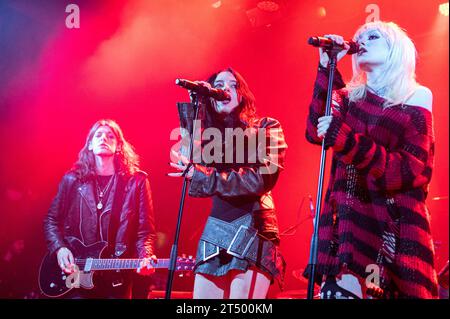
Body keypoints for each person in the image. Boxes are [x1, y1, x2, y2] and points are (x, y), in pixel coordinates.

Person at [305, 21, 438, 298]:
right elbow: (315, 130)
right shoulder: (347, 98)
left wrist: (347, 140)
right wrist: (326, 68)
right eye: (357, 37)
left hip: (394, 228)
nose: (361, 41)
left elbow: (410, 169)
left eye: (373, 36)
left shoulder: (417, 96)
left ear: (395, 49)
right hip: (348, 229)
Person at [169, 67, 287, 299]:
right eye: (219, 86)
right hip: (216, 227)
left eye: (232, 85)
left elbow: (262, 179)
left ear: (242, 94)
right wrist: (197, 105)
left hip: (254, 225)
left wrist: (204, 176)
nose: (225, 90)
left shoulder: (266, 127)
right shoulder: (208, 135)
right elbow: (189, 161)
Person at [43, 119, 157, 298]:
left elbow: (145, 231)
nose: (104, 138)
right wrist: (60, 248)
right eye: (98, 135)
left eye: (110, 136)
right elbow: (51, 220)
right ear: (90, 144)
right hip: (76, 273)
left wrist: (145, 256)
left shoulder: (136, 182)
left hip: (116, 275)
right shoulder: (72, 180)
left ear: (118, 146)